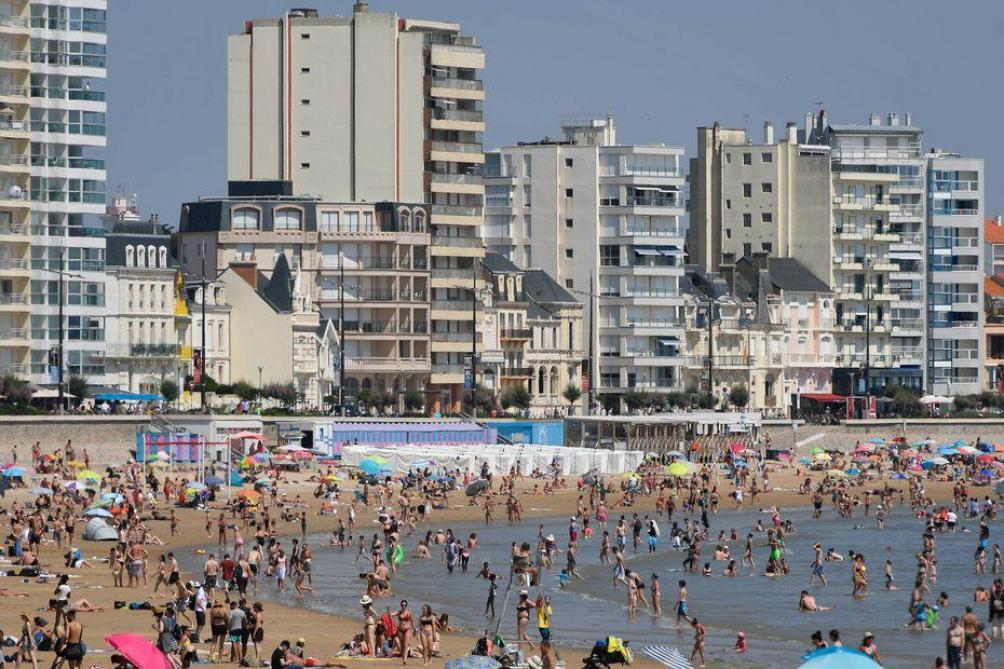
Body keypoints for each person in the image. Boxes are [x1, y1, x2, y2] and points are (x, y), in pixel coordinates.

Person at [227, 601, 246, 665]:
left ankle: (236, 659)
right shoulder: (242, 612)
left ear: (232, 606)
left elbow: (229, 619)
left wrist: (228, 626)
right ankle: (240, 658)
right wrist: (243, 626)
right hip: (239, 629)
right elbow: (245, 620)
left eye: (230, 607)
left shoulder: (232, 612)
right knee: (238, 643)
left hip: (233, 629)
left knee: (234, 643)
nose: (230, 608)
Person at [394, 600, 413, 665]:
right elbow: (390, 614)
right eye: (402, 605)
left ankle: (404, 660)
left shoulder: (409, 612)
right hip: (400, 630)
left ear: (406, 605)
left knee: (405, 645)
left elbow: (412, 621)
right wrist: (387, 611)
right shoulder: (399, 612)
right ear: (401, 605)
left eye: (404, 605)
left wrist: (414, 629)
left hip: (407, 629)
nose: (403, 606)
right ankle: (403, 658)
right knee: (402, 645)